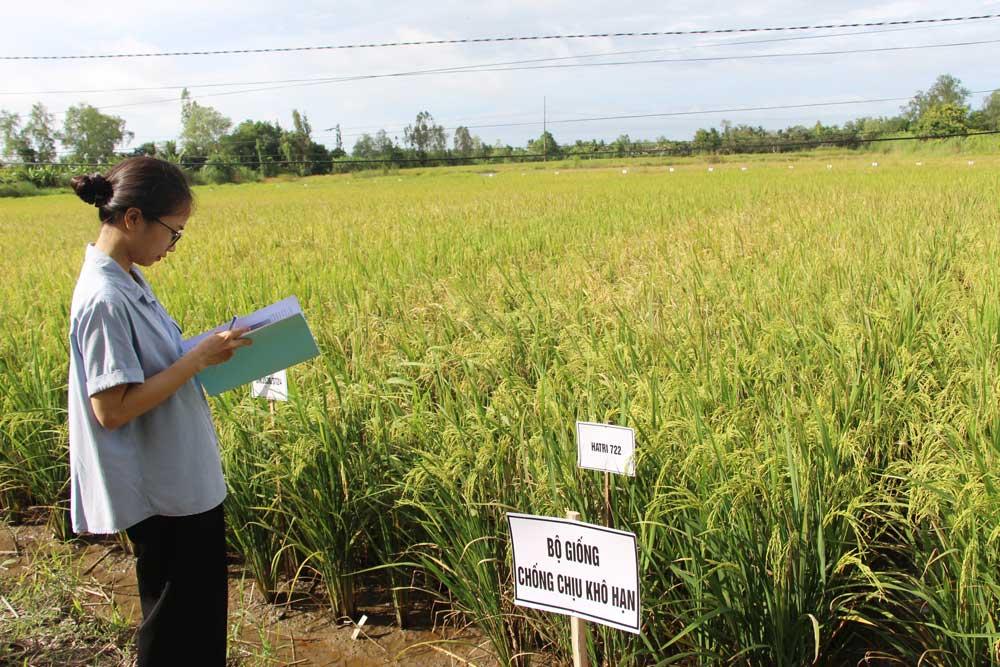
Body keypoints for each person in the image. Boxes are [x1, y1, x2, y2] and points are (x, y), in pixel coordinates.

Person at [67, 156, 251, 665]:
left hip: (181, 480)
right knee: (175, 634)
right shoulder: (105, 297)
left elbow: (152, 368)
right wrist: (195, 360)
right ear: (133, 220)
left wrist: (206, 354)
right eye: (174, 233)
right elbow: (111, 408)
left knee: (196, 626)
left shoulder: (128, 280)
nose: (173, 247)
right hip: (164, 495)